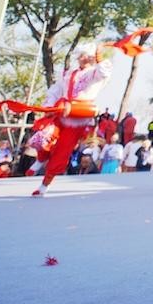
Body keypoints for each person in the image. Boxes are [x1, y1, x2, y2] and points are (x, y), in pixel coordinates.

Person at [29, 43, 113, 196]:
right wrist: (48, 106)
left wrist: (100, 56)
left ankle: (44, 185)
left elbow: (104, 72)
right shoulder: (68, 73)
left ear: (92, 57)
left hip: (79, 115)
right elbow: (56, 90)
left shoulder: (95, 73)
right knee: (43, 135)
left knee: (62, 150)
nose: (81, 58)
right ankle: (39, 160)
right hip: (62, 111)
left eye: (85, 55)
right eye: (80, 55)